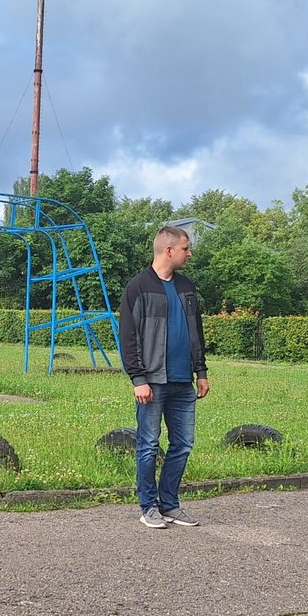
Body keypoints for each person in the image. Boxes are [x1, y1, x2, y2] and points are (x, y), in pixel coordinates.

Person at [118, 226, 210, 529]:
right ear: (168, 250)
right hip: (152, 381)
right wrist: (138, 378)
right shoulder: (138, 287)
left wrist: (201, 372)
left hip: (184, 381)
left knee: (183, 444)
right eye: (186, 248)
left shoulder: (187, 286)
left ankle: (170, 504)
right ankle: (149, 507)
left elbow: (197, 333)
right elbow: (128, 337)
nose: (189, 253)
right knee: (147, 444)